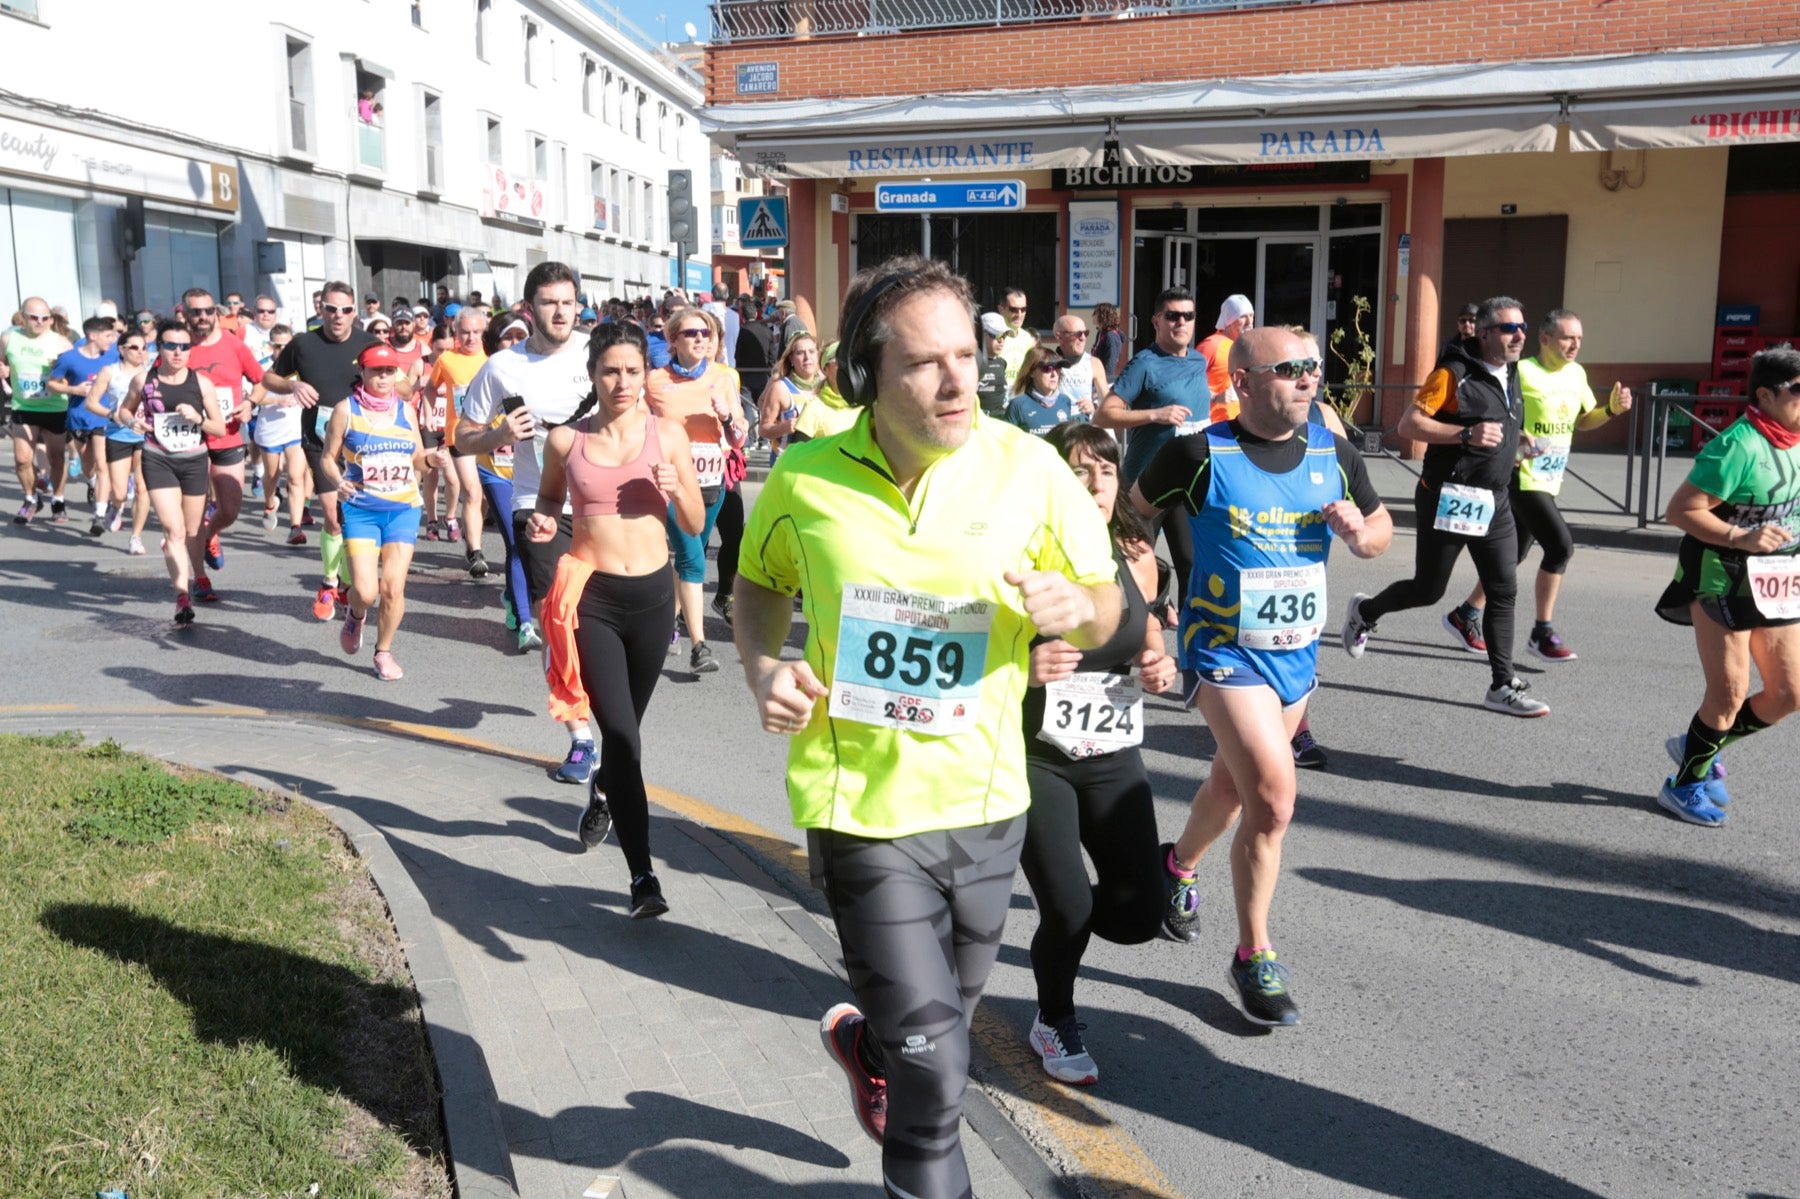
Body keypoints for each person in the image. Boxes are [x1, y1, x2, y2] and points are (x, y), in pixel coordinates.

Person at [733, 255, 1120, 1196]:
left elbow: (1113, 606)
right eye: (926, 363)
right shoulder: (807, 477)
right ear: (868, 371)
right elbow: (758, 587)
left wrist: (1080, 606)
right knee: (940, 1073)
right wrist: (761, 669)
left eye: (966, 356)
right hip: (860, 806)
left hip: (988, 805)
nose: (959, 381)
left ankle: (869, 1041)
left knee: (927, 1032)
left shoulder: (1028, 467)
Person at [1131, 327, 1393, 1025]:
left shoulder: (1333, 453)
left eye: (1313, 366)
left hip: (1295, 655)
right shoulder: (1197, 452)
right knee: (1273, 797)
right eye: (1291, 368)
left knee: (1232, 785)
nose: (1309, 378)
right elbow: (1133, 519)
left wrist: (1359, 534)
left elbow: (1379, 527)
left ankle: (1176, 866)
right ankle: (1255, 955)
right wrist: (1148, 610)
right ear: (1243, 382)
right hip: (1222, 651)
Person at [1020, 421, 1175, 1084]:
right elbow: (968, 647)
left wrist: (1157, 662)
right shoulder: (1020, 552)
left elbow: (1146, 634)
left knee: (1144, 911)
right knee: (1069, 908)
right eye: (1078, 471)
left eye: (1106, 471)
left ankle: (1059, 921)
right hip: (1037, 753)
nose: (1095, 484)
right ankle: (1054, 1017)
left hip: (1112, 750)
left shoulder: (1136, 551)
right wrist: (1023, 667)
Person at [533, 321, 704, 913]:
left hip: (655, 601)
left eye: (633, 371)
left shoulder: (669, 435)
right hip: (594, 602)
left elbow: (694, 522)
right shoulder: (565, 440)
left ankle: (604, 790)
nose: (623, 381)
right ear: (593, 374)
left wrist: (674, 488)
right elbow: (550, 499)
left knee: (624, 742)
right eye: (611, 370)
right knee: (625, 740)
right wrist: (543, 520)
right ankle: (642, 878)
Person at [1341, 295, 1551, 717]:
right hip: (1449, 497)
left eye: (1523, 327)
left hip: (1495, 499)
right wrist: (1465, 436)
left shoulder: (1510, 375)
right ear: (1485, 332)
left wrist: (1520, 443)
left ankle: (1501, 684)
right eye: (1511, 328)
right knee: (1428, 589)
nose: (1520, 335)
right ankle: (1365, 611)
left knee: (1503, 588)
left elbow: (1501, 422)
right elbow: (1409, 425)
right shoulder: (1451, 373)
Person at [457, 262, 599, 784]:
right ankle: (580, 735)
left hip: (600, 505)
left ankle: (609, 713)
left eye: (567, 301)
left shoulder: (597, 352)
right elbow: (463, 435)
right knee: (555, 617)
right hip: (536, 503)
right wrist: (495, 435)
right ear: (528, 309)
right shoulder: (501, 367)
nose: (560, 312)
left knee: (597, 621)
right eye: (548, 302)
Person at [1654, 346, 1800, 826]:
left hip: (1778, 580)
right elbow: (1681, 510)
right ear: (1765, 394)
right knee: (1730, 692)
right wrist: (1742, 535)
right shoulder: (1737, 445)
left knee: (1788, 693)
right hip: (1722, 575)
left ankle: (1700, 746)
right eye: (1799, 391)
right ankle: (1685, 784)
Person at [1443, 309, 1634, 662]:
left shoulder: (1577, 374)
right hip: (1519, 476)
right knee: (1560, 547)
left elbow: (1583, 421)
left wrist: (1610, 411)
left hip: (1550, 478)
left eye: (1579, 338)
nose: (1574, 344)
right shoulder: (1523, 371)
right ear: (1544, 339)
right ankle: (1541, 632)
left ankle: (1465, 613)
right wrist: (1511, 433)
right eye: (1566, 338)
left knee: (1513, 555)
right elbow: (1493, 405)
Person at [260, 281, 379, 621]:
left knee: (350, 518)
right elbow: (269, 380)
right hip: (318, 440)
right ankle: (329, 582)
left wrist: (386, 384)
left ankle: (343, 582)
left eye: (344, 310)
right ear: (320, 309)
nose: (337, 316)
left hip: (360, 442)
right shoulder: (303, 344)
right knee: (331, 516)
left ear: (354, 312)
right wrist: (294, 384)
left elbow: (398, 382)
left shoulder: (369, 343)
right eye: (331, 308)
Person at [1095, 286, 1211, 616]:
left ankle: (1191, 645)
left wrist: (1215, 402)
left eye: (1187, 316)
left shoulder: (1199, 361)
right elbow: (1104, 414)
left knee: (1191, 564)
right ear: (1156, 321)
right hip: (1147, 482)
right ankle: (1125, 648)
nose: (1181, 322)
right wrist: (1155, 415)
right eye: (1172, 315)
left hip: (1186, 482)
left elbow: (1193, 406)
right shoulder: (1145, 364)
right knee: (1133, 565)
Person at [318, 342, 426, 680]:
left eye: (389, 371)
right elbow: (327, 458)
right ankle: (356, 612)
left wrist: (433, 460)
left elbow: (418, 457)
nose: (383, 377)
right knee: (366, 591)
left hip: (403, 509)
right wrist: (338, 481)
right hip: (362, 510)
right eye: (376, 370)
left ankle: (383, 652)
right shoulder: (345, 411)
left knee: (393, 587)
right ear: (362, 373)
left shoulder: (406, 411)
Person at [646, 307, 745, 673]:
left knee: (694, 554)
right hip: (672, 484)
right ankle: (699, 645)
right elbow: (636, 427)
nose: (701, 338)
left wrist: (725, 417)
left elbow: (737, 439)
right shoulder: (655, 381)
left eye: (705, 332)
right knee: (691, 558)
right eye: (690, 333)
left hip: (712, 482)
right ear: (673, 339)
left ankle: (663, 624)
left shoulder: (723, 377)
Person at [113, 320, 228, 625]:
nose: (178, 352)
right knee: (173, 530)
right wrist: (131, 421)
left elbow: (219, 427)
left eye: (184, 347)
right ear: (159, 348)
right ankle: (182, 597)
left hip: (193, 461)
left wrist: (199, 419)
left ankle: (200, 575)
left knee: (193, 531)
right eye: (171, 346)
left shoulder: (201, 383)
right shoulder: (143, 380)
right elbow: (123, 410)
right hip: (158, 458)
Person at [185, 288, 263, 601]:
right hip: (189, 439)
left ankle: (210, 533)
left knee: (230, 510)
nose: (202, 317)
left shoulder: (233, 344)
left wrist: (250, 404)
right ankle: (199, 578)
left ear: (215, 314)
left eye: (207, 311)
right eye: (195, 312)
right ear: (186, 314)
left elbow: (260, 380)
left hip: (228, 435)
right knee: (192, 513)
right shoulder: (179, 346)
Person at [424, 310, 488, 580]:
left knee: (485, 497)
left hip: (492, 437)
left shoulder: (493, 360)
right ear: (456, 332)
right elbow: (430, 388)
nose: (470, 337)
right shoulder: (447, 359)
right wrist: (427, 414)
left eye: (475, 332)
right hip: (460, 436)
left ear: (483, 331)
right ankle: (475, 552)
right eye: (465, 332)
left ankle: (475, 537)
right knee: (471, 492)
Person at [4, 295, 73, 523]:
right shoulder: (9, 339)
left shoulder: (62, 343)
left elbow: (75, 373)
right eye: (34, 317)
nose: (40, 322)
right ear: (23, 317)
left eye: (46, 318)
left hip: (55, 407)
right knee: (22, 459)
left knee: (56, 458)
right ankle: (31, 498)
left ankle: (58, 499)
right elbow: (1, 361)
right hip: (24, 406)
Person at [48, 316, 119, 535]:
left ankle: (99, 514)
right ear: (92, 336)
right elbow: (51, 384)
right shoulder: (69, 359)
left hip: (102, 416)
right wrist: (74, 390)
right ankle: (92, 483)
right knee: (88, 466)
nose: (112, 339)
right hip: (78, 417)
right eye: (108, 335)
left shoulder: (113, 356)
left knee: (101, 463)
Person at [83, 330, 152, 553]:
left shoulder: (152, 372)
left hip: (146, 435)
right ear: (121, 349)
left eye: (144, 347)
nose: (140, 352)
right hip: (118, 434)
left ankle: (136, 537)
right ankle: (115, 507)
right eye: (134, 347)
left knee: (143, 488)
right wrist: (112, 414)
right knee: (120, 492)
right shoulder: (110, 371)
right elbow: (91, 403)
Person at [249, 325, 309, 545]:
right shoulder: (263, 367)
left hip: (296, 430)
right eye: (277, 345)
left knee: (295, 476)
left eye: (287, 345)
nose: (282, 349)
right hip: (270, 430)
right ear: (270, 345)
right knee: (272, 476)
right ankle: (269, 503)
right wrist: (277, 400)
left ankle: (295, 527)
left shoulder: (302, 367)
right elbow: (254, 397)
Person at [756, 329, 821, 463]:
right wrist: (783, 427)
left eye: (811, 351)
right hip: (786, 461)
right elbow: (763, 429)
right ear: (791, 358)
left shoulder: (825, 384)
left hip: (817, 460)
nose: (807, 357)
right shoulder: (780, 388)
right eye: (800, 353)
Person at [1197, 294, 1254, 422]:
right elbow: (1186, 383)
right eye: (1243, 317)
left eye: (1251, 315)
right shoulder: (1212, 345)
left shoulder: (1245, 347)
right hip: (1213, 427)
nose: (1249, 322)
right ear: (1229, 320)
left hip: (1239, 425)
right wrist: (1215, 397)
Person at [790, 341, 857, 442]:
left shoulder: (866, 404)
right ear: (825, 369)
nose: (847, 365)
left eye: (850, 360)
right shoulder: (814, 407)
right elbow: (796, 452)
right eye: (840, 360)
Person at [1005, 346, 1080, 436]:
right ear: (1032, 372)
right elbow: (1007, 443)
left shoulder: (1065, 401)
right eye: (1047, 368)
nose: (1054, 374)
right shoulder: (1017, 405)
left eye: (1058, 368)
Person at [1051, 314, 1108, 418]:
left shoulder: (1093, 363)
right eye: (1078, 334)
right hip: (1058, 423)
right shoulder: (1049, 363)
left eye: (1086, 333)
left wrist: (1094, 407)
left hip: (1084, 425)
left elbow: (1107, 402)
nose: (1083, 338)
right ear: (1059, 336)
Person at [995, 286, 1035, 388]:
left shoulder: (1028, 338)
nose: (1019, 314)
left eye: (1023, 309)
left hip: (1020, 398)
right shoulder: (991, 338)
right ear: (1001, 309)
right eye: (1013, 309)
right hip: (999, 399)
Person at [975, 312, 1011, 417]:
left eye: (1004, 335)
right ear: (982, 334)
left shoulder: (1002, 362)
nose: (1001, 340)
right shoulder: (972, 362)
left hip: (1000, 420)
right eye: (997, 335)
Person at [1092, 302, 1127, 381]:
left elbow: (1110, 364)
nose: (1092, 316)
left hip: (1104, 380)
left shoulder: (1111, 336)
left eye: (1095, 313)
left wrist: (1105, 383)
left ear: (1103, 316)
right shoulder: (1100, 333)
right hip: (1096, 376)